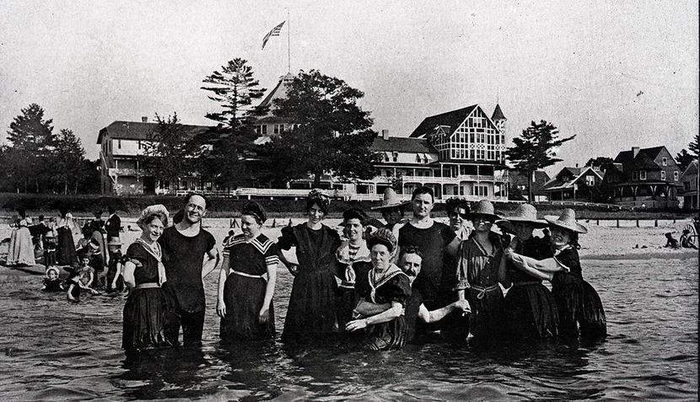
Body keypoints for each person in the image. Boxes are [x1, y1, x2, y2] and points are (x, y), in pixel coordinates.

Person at [506, 208, 607, 340]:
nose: (558, 234)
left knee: (580, 333)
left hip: (577, 297)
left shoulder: (569, 254)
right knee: (563, 332)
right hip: (561, 294)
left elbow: (540, 265)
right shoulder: (555, 250)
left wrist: (513, 256)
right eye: (555, 230)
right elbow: (547, 276)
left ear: (571, 237)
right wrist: (523, 265)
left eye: (564, 233)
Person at [354, 246, 472, 344]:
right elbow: (360, 307)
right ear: (399, 264)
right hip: (381, 344)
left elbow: (428, 317)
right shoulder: (386, 287)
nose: (411, 269)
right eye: (407, 264)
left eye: (416, 265)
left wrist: (454, 305)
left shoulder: (415, 293)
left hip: (404, 347)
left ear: (420, 269)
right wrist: (385, 308)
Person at [277, 190, 342, 344]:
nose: (316, 214)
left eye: (320, 211)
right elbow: (276, 249)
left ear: (324, 213)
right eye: (312, 210)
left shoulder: (332, 235)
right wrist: (288, 264)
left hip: (326, 284)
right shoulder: (296, 232)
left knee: (326, 330)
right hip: (304, 282)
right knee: (300, 329)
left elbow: (337, 259)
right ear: (307, 210)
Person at [159, 194, 221, 347]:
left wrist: (199, 275)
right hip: (169, 298)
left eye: (200, 208)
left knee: (193, 346)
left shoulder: (206, 237)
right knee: (168, 345)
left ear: (204, 212)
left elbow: (215, 257)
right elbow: (156, 258)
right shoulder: (167, 234)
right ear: (185, 206)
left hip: (195, 299)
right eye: (192, 206)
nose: (195, 210)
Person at [397, 186, 460, 334]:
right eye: (418, 201)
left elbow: (462, 254)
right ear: (412, 202)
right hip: (413, 297)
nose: (422, 206)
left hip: (440, 296)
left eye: (426, 202)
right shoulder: (402, 231)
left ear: (433, 205)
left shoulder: (443, 230)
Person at [217, 202, 278, 343]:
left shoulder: (268, 246)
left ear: (259, 224)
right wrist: (220, 300)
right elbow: (224, 271)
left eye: (248, 224)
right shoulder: (232, 241)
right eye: (242, 223)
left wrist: (265, 306)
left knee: (257, 337)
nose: (244, 227)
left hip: (256, 296)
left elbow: (272, 278)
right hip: (232, 294)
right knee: (231, 337)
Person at [498, 204, 559, 340]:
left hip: (537, 296)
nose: (523, 230)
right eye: (519, 226)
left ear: (532, 228)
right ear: (514, 227)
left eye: (527, 226)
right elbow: (504, 281)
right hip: (516, 295)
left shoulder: (541, 245)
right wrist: (505, 253)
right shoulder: (509, 247)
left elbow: (548, 272)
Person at [345, 228, 412, 350]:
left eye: (382, 253)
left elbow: (395, 312)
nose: (377, 258)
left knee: (373, 352)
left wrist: (366, 321)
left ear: (390, 254)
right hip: (372, 324)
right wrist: (386, 307)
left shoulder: (398, 278)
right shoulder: (367, 275)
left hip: (390, 328)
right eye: (374, 253)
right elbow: (360, 306)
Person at [122, 204, 175, 354]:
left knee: (157, 341)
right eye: (154, 226)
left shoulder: (158, 247)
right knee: (143, 341)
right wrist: (137, 292)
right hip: (143, 300)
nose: (157, 231)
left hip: (158, 299)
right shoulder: (136, 247)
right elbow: (127, 277)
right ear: (144, 225)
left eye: (161, 228)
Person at [456, 200, 506, 344]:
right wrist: (462, 300)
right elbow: (462, 275)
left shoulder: (498, 246)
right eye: (477, 218)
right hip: (474, 298)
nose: (481, 221)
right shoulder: (466, 246)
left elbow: (502, 277)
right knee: (475, 337)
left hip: (495, 296)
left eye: (485, 218)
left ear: (491, 222)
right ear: (472, 221)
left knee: (496, 338)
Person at [335, 208, 371, 328]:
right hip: (343, 296)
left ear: (364, 228)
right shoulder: (340, 249)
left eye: (356, 226)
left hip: (362, 297)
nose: (352, 229)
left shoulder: (370, 250)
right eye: (349, 226)